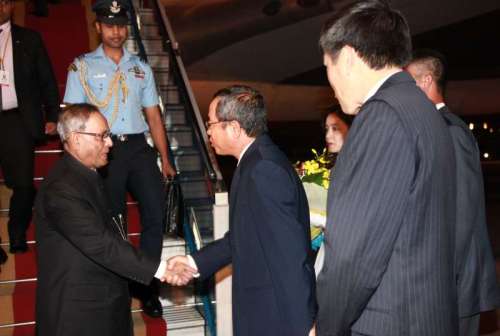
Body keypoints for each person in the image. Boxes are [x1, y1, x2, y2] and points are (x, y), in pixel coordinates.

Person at [316, 1, 459, 335]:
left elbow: (355, 255)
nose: (331, 84)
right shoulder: (422, 111)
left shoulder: (382, 117)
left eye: (327, 66)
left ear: (348, 58)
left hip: (388, 322)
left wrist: (326, 326)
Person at [168, 85, 317, 336]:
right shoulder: (255, 162)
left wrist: (305, 326)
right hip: (263, 313)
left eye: (211, 123)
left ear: (234, 128)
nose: (208, 132)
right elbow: (242, 238)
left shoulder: (263, 170)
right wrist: (194, 262)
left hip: (275, 319)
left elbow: (289, 257)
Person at [34, 103, 194, 336]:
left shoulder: (87, 175)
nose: (110, 143)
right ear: (76, 138)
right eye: (102, 136)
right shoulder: (61, 189)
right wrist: (161, 269)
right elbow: (100, 243)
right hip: (78, 317)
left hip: (105, 307)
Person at [63, 0, 176, 317]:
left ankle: (147, 287)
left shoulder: (140, 66)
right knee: (114, 222)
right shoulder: (82, 67)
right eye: (110, 25)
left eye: (122, 25)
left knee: (155, 215)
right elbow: (73, 117)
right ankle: (120, 283)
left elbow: (154, 116)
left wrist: (165, 159)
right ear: (97, 27)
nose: (117, 31)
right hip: (104, 152)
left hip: (139, 148)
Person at [407, 49, 500, 336]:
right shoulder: (435, 129)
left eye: (407, 83)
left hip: (454, 279)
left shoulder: (449, 131)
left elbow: (462, 209)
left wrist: (439, 276)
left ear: (425, 81)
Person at [0, 0, 60, 255]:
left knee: (24, 184)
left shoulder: (29, 39)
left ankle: (17, 233)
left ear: (10, 6)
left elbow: (46, 78)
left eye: (3, 2)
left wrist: (53, 114)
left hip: (17, 120)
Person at [312, 108, 352, 276]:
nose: (328, 136)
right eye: (327, 129)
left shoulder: (358, 169)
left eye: (335, 128)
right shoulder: (333, 168)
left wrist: (316, 217)